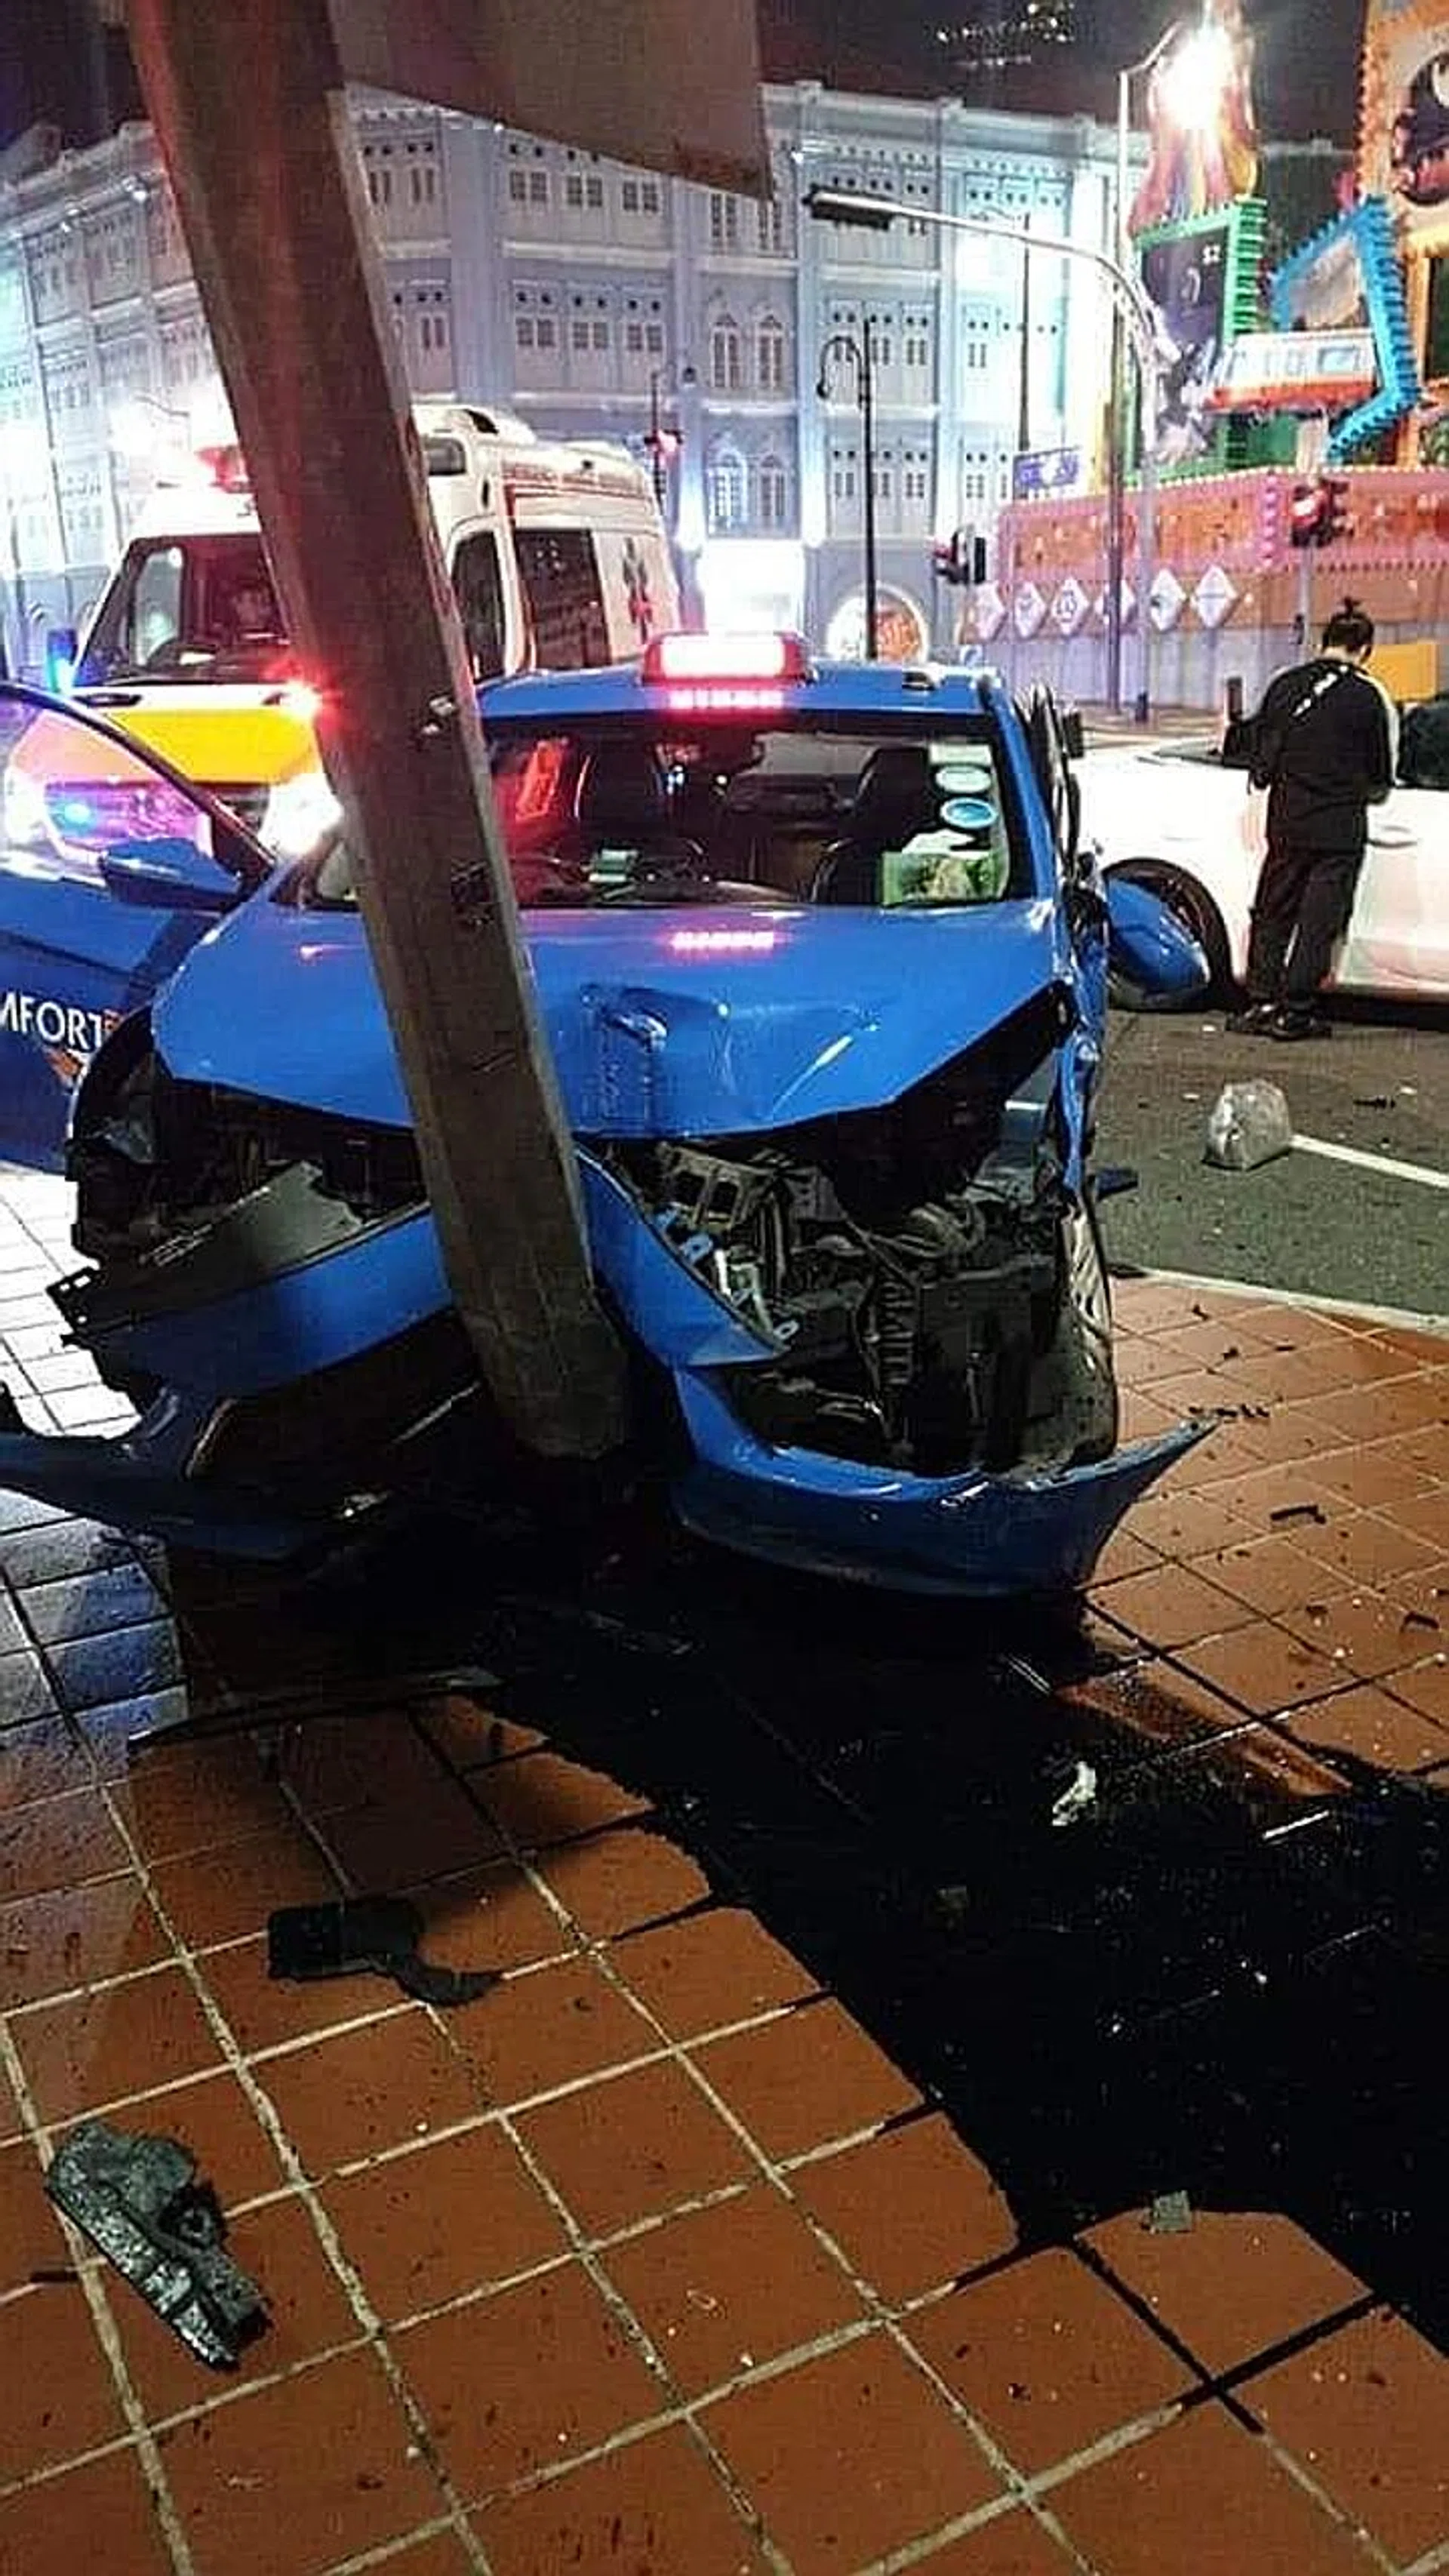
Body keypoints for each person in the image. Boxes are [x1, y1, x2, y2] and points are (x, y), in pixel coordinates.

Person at [1228, 598, 1394, 1042]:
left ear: (1324, 642)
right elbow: (1381, 774)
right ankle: (1295, 1011)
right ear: (1365, 649)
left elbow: (1261, 750)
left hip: (1288, 822)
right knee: (1319, 922)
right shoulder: (1368, 697)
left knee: (1273, 911)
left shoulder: (1286, 685)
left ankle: (1260, 1000)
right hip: (1339, 831)